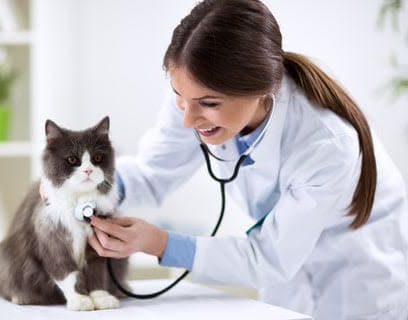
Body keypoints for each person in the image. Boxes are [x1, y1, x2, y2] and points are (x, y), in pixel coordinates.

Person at [85, 0, 408, 318]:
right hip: (288, 287)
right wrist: (92, 184)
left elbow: (269, 258)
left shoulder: (327, 146)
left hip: (358, 284)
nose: (188, 119)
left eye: (209, 103)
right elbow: (153, 172)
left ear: (261, 90)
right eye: (179, 97)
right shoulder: (194, 100)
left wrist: (159, 243)